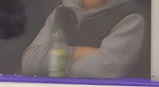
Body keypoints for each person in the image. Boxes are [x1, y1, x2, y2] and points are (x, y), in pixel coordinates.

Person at [20, 0, 148, 78]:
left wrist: (51, 63)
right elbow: (29, 61)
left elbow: (107, 67)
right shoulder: (60, 14)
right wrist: (76, 53)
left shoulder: (130, 17)